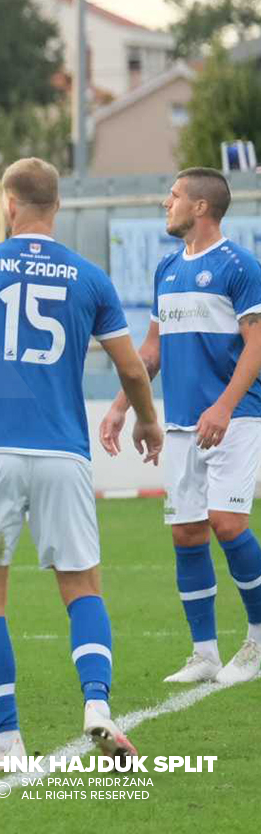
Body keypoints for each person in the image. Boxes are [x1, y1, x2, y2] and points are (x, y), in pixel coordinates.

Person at [0, 158, 162, 768]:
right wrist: (145, 418)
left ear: (9, 204)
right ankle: (97, 706)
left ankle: (8, 742)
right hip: (62, 449)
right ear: (56, 207)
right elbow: (129, 366)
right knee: (82, 586)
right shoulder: (90, 278)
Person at [100, 167, 261, 686]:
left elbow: (257, 344)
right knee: (187, 532)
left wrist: (224, 406)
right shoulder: (167, 268)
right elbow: (150, 351)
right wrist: (124, 404)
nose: (165, 204)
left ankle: (258, 640)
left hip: (235, 419)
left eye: (173, 197)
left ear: (200, 208)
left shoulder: (240, 266)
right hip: (182, 425)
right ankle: (204, 653)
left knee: (228, 524)